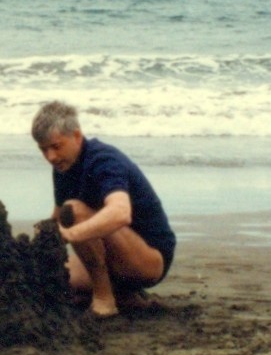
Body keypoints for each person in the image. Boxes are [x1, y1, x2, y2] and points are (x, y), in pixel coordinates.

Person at [31, 100, 176, 318]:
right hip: (114, 258)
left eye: (56, 146)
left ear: (77, 136)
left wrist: (69, 234)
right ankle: (124, 295)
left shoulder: (104, 161)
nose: (50, 157)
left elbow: (120, 213)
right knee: (56, 278)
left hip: (149, 259)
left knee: (74, 211)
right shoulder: (62, 166)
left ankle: (104, 300)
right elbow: (57, 219)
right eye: (44, 150)